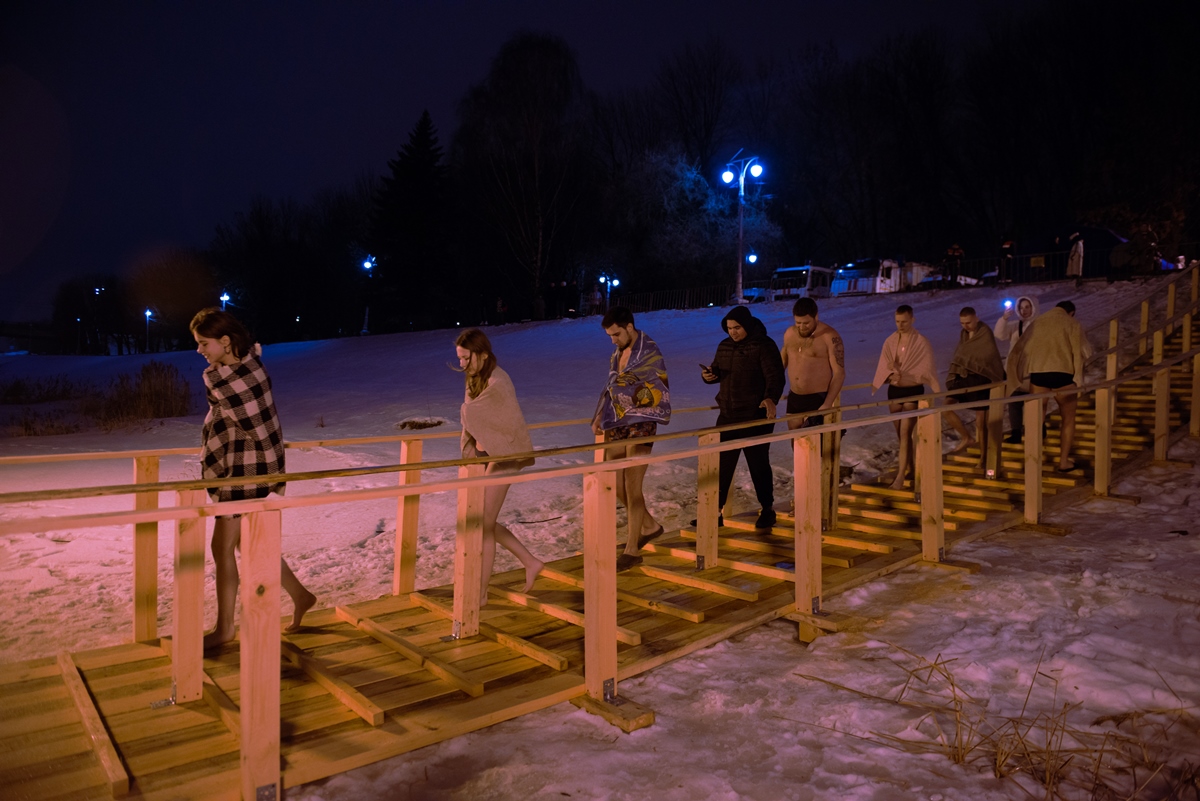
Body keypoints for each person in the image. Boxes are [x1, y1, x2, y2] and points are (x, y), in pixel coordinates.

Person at [190, 308, 316, 650]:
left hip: (245, 471)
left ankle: (225, 628)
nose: (199, 350)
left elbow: (258, 424)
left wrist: (215, 379)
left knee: (222, 546)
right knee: (249, 545)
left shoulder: (240, 376)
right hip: (242, 466)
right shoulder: (238, 370)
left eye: (204, 343)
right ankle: (302, 595)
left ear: (226, 341)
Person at [455, 328, 544, 597]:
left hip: (507, 454)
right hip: (492, 456)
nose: (461, 364)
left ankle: (479, 593)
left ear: (482, 355)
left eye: (465, 358)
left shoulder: (499, 381)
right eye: (459, 358)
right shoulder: (475, 378)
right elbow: (473, 415)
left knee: (482, 523)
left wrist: (477, 426)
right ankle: (531, 562)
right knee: (484, 521)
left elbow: (478, 414)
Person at [592, 306, 671, 570]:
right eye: (609, 336)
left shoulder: (649, 351)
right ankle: (649, 525)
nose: (612, 340)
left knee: (632, 484)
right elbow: (612, 384)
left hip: (642, 421)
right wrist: (598, 414)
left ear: (629, 327)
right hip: (617, 420)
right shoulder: (618, 354)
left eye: (615, 334)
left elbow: (655, 385)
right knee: (615, 483)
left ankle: (632, 548)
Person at [700, 306, 785, 530]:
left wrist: (770, 399)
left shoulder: (764, 345)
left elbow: (775, 376)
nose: (733, 332)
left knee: (758, 465)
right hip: (728, 415)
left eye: (737, 328)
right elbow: (718, 371)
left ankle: (767, 510)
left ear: (746, 325)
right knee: (721, 466)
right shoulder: (724, 346)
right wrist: (708, 375)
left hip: (755, 415)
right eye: (729, 328)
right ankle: (714, 513)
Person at [1007, 301, 1088, 472]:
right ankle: (1064, 461)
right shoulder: (1072, 323)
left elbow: (1020, 347)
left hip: (1039, 373)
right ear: (1071, 312)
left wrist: (1017, 373)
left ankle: (1033, 461)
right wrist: (1079, 378)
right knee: (1068, 419)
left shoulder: (1038, 322)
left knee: (1035, 420)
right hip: (1064, 374)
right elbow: (1083, 350)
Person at [872, 305, 941, 489]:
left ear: (912, 320)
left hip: (912, 390)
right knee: (902, 435)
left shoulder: (921, 342)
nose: (900, 325)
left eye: (904, 321)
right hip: (895, 391)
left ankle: (900, 477)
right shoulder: (891, 341)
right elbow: (884, 365)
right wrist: (890, 374)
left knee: (905, 433)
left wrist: (909, 375)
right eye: (897, 321)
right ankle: (910, 466)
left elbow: (926, 367)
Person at [944, 307, 1005, 466]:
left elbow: (988, 355)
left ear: (976, 318)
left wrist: (965, 359)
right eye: (962, 323)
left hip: (982, 378)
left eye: (968, 322)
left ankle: (984, 458)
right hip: (965, 378)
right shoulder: (963, 335)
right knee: (946, 407)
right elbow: (960, 355)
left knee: (981, 421)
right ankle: (966, 437)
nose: (966, 326)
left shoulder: (985, 332)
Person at [779, 297, 845, 430]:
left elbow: (839, 373)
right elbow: (782, 363)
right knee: (796, 444)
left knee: (814, 446)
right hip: (795, 396)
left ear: (816, 317)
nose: (802, 327)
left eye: (806, 323)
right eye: (798, 323)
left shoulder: (830, 336)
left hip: (817, 397)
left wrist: (827, 403)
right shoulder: (789, 334)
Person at [994, 295, 1040, 442]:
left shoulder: (1040, 325)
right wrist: (1004, 319)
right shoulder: (1015, 325)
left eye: (1027, 307)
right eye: (1021, 307)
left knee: (1033, 402)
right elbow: (999, 334)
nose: (1024, 310)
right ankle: (1016, 432)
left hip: (1033, 369)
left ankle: (1036, 430)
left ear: (1034, 307)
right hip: (1015, 370)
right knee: (1014, 402)